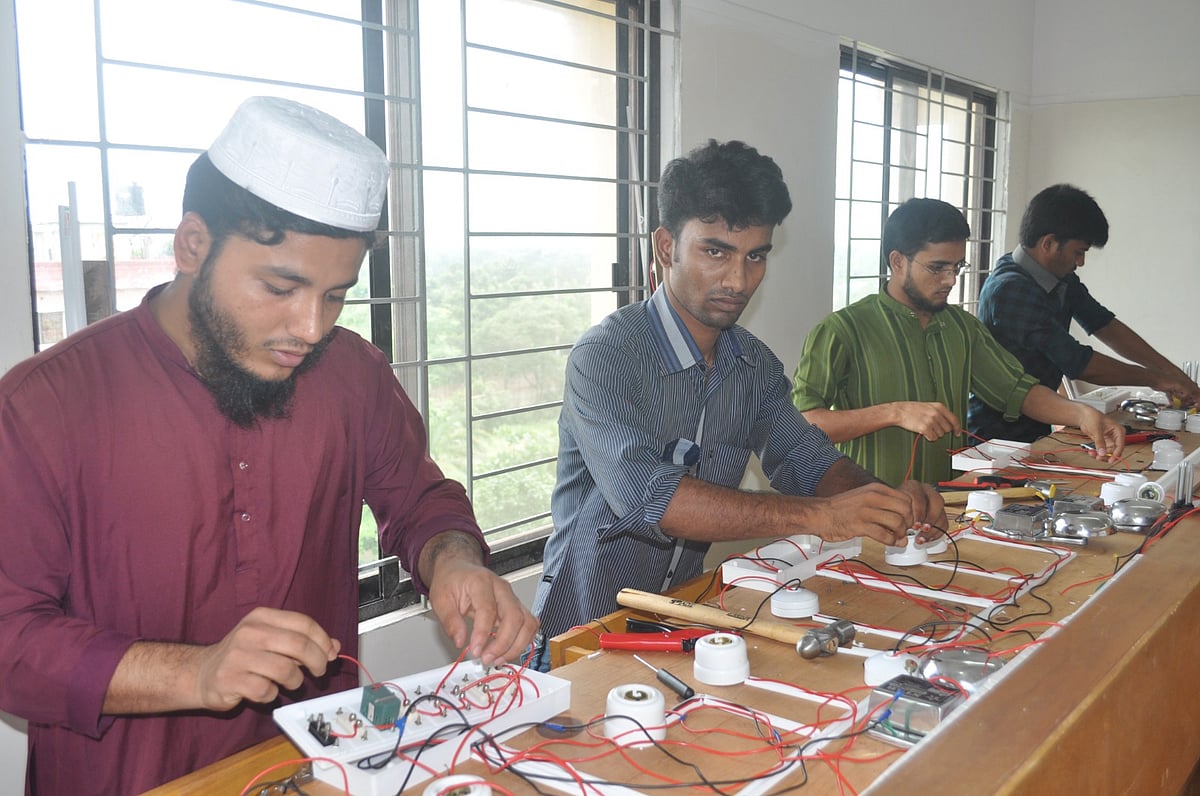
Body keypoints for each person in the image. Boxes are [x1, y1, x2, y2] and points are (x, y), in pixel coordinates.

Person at [0, 96, 538, 794]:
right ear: (193, 245)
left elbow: (422, 503)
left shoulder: (351, 375)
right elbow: (10, 638)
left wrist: (454, 562)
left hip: (317, 772)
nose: (310, 327)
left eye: (336, 296)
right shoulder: (46, 404)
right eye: (280, 288)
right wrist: (193, 672)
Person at [529, 141, 945, 665]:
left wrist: (883, 499)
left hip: (683, 622)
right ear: (665, 246)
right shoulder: (606, 356)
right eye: (715, 251)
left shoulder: (754, 366)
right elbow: (648, 498)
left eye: (756, 256)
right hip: (582, 635)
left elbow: (809, 463)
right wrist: (823, 517)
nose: (738, 279)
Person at [792, 199, 1124, 486]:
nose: (950, 280)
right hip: (868, 510)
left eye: (957, 267)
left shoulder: (961, 329)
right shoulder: (843, 329)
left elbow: (1017, 390)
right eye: (937, 267)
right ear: (897, 261)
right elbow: (802, 424)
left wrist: (1081, 413)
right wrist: (895, 412)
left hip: (944, 511)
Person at [970, 184, 1200, 442]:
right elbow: (1077, 362)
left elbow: (1104, 324)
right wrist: (1155, 379)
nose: (1080, 262)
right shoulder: (1010, 290)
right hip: (995, 436)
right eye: (1078, 252)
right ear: (1049, 243)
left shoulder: (1059, 277)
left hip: (1038, 425)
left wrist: (1172, 375)